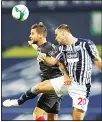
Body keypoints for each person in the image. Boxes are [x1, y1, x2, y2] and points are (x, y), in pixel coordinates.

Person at [3, 23, 101, 120]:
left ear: (63, 34)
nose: (56, 38)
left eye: (56, 35)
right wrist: (44, 57)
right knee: (40, 87)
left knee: (76, 119)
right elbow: (54, 61)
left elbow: (97, 60)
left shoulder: (86, 44)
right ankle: (19, 101)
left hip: (81, 87)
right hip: (67, 81)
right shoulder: (62, 48)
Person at [3, 22, 65, 120]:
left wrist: (47, 59)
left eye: (32, 34)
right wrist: (33, 45)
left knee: (37, 114)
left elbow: (54, 61)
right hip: (57, 86)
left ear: (40, 36)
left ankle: (19, 102)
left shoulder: (47, 48)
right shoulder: (47, 46)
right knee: (52, 117)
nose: (30, 35)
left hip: (51, 85)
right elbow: (40, 49)